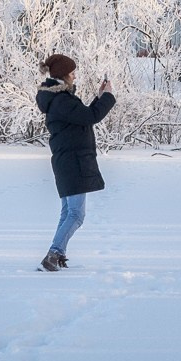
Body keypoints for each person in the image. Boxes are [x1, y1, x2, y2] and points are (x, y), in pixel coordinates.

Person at [35, 52, 115, 271]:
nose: (75, 76)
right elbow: (91, 117)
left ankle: (56, 254)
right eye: (72, 73)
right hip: (73, 162)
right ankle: (53, 254)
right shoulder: (61, 101)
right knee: (77, 215)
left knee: (68, 213)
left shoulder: (58, 99)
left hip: (67, 161)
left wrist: (99, 97)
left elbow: (83, 114)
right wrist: (107, 97)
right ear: (63, 76)